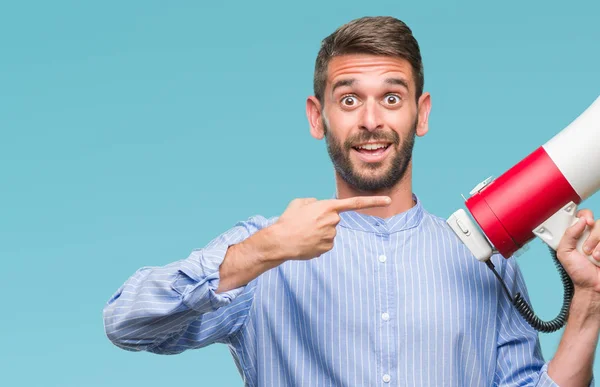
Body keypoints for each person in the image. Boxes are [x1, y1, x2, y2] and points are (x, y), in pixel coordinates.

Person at [103, 16, 600, 386]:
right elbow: (127, 322)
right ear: (317, 117)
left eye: (391, 98)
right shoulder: (266, 252)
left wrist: (589, 303)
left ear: (420, 114)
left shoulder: (486, 262)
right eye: (348, 99)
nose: (370, 121)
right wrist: (265, 250)